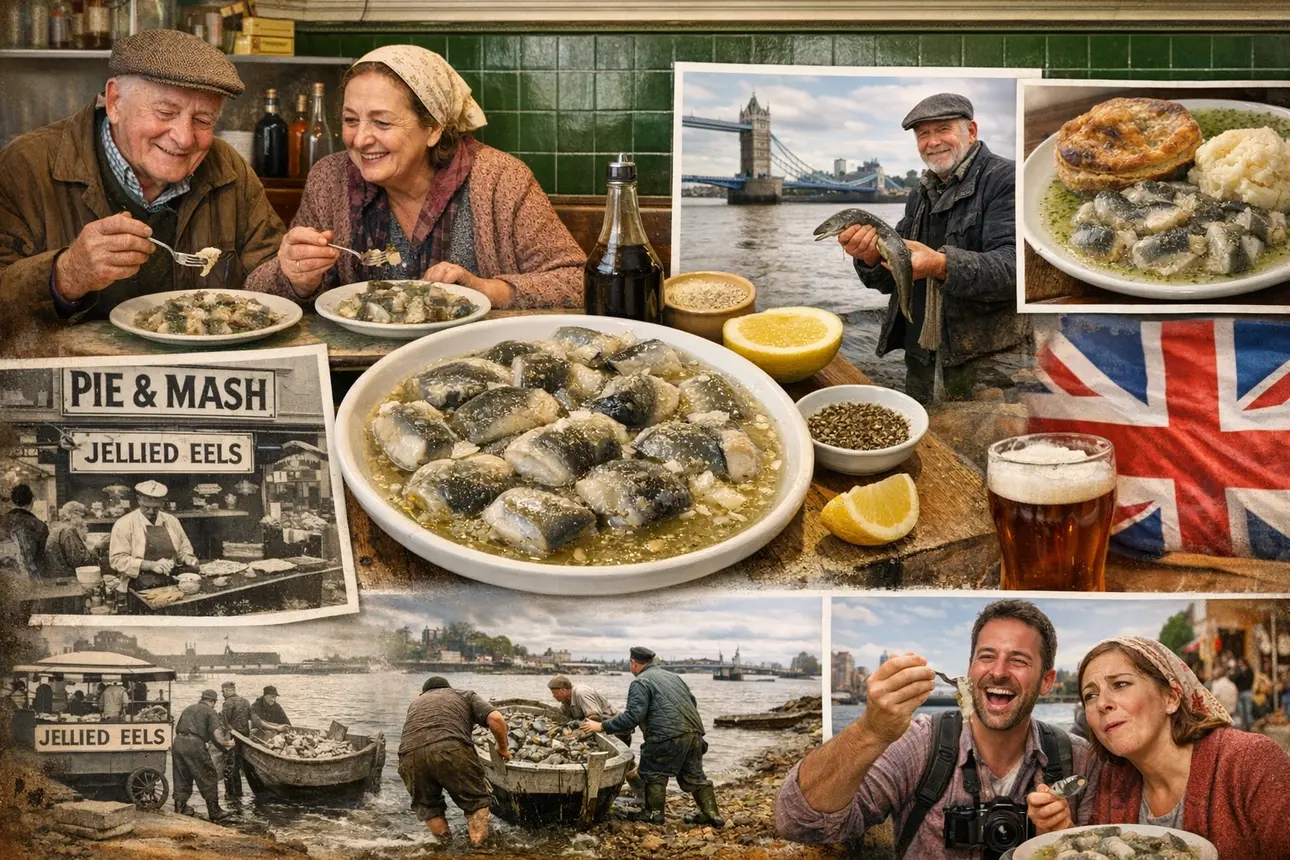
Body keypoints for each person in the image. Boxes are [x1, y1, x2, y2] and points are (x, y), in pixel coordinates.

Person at [245, 45, 584, 311]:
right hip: (357, 369)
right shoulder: (329, 179)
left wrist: (486, 290)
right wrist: (294, 277)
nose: (360, 139)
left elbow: (578, 281)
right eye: (350, 120)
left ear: (433, 128)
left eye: (382, 122)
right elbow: (259, 293)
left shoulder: (500, 180)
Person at [0, 29, 284, 333]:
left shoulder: (229, 168)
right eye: (165, 112)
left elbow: (271, 280)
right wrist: (66, 274)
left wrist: (293, 274)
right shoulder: (26, 166)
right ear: (114, 102)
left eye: (203, 121)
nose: (184, 138)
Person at [775, 600, 1099, 859]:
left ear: (1047, 681)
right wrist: (870, 731)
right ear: (970, 669)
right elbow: (798, 821)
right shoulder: (920, 743)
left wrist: (1062, 838)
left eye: (1018, 660)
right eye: (986, 656)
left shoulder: (1079, 759)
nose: (998, 671)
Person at [834, 93, 1028, 405]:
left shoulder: (1007, 179)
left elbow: (1017, 270)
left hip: (984, 360)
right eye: (923, 134)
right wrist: (869, 256)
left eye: (943, 130)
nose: (932, 142)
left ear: (972, 131)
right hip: (921, 357)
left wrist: (940, 264)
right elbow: (891, 280)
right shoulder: (918, 194)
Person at [1032, 636, 1290, 859]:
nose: (1102, 703)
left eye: (1120, 684)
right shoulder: (1112, 782)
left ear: (1171, 697)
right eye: (1090, 695)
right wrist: (1062, 830)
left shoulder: (1251, 762)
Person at [582, 646, 723, 829]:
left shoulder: (640, 682)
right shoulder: (673, 677)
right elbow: (692, 702)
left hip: (666, 736)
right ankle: (712, 814)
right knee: (695, 777)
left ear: (633, 663)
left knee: (653, 773)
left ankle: (654, 814)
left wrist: (601, 726)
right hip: (694, 733)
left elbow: (633, 716)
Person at [397, 676, 509, 845]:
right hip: (450, 748)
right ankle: (478, 849)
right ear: (449, 688)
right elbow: (496, 719)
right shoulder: (464, 694)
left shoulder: (415, 703)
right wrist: (503, 748)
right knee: (476, 802)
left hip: (409, 756)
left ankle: (444, 847)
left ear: (423, 693)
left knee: (429, 807)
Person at [549, 674, 643, 800]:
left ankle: (642, 794)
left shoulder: (581, 692)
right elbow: (565, 721)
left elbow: (595, 717)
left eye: (555, 693)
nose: (553, 696)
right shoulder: (566, 703)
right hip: (601, 730)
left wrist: (577, 725)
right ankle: (624, 791)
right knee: (618, 765)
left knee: (625, 764)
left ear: (563, 690)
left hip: (615, 728)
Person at [108, 481, 197, 593]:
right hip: (139, 581)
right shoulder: (124, 524)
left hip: (172, 577)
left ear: (162, 503)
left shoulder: (171, 521)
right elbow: (117, 560)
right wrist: (150, 565)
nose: (151, 512)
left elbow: (183, 549)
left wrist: (189, 558)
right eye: (146, 507)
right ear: (138, 499)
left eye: (156, 508)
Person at [172, 689, 234, 822]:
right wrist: (226, 746)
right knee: (209, 776)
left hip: (178, 742)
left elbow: (178, 727)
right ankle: (215, 811)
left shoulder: (189, 708)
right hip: (194, 743)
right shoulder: (210, 712)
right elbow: (216, 735)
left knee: (181, 776)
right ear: (213, 702)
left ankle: (180, 807)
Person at [1, 485, 48, 581]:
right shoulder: (39, 525)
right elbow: (42, 557)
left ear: (12, 501)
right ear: (32, 501)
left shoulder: (2, 521)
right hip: (31, 579)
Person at [44, 501, 96, 580]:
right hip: (64, 577)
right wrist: (94, 552)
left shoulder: (63, 527)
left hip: (59, 574)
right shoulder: (68, 531)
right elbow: (76, 561)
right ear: (73, 515)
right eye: (82, 517)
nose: (84, 522)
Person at [220, 681, 252, 799]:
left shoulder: (228, 703)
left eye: (223, 691)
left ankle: (230, 794)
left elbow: (224, 722)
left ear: (229, 690)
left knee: (229, 765)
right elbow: (250, 718)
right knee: (239, 764)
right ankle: (239, 792)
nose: (222, 694)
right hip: (244, 738)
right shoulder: (245, 701)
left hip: (233, 737)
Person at [1231, 657, 1254, 731]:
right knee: (1241, 711)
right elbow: (1235, 680)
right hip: (1240, 692)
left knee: (1247, 710)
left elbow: (1250, 681)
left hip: (1247, 692)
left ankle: (1249, 726)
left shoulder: (1249, 671)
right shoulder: (1238, 672)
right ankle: (1244, 725)